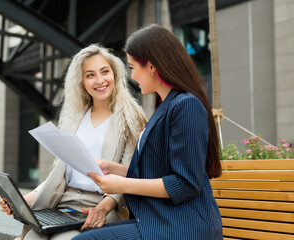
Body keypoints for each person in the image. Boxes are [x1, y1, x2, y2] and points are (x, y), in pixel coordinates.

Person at [72, 24, 223, 240]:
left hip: (183, 227)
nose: (132, 76)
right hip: (160, 220)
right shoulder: (167, 106)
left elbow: (185, 183)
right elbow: (160, 171)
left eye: (133, 67)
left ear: (151, 67)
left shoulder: (186, 106)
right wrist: (116, 169)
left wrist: (122, 184)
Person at [0, 44, 147, 240]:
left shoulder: (131, 117)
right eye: (90, 75)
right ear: (81, 81)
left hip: (102, 205)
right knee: (32, 238)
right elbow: (57, 176)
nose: (100, 80)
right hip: (63, 202)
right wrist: (21, 202)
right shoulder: (75, 117)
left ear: (115, 75)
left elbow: (129, 177)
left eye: (105, 71)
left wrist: (102, 208)